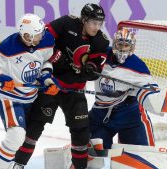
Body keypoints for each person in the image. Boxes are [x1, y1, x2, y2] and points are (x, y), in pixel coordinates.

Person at [13, 3, 109, 169]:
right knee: (34, 127)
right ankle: (17, 164)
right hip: (51, 85)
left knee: (81, 133)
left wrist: (91, 69)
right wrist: (55, 53)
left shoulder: (101, 40)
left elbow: (96, 68)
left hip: (74, 90)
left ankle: (78, 167)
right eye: (93, 22)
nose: (96, 27)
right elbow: (43, 38)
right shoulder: (67, 23)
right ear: (84, 19)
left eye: (99, 23)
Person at [0, 13, 59, 169]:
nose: (41, 36)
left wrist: (46, 78)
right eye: (37, 35)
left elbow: (46, 62)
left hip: (30, 97)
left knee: (25, 136)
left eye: (42, 32)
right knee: (16, 136)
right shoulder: (8, 47)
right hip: (9, 98)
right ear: (26, 36)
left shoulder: (46, 40)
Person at [89, 28, 167, 149]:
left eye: (126, 45)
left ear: (132, 47)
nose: (122, 48)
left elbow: (147, 92)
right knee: (90, 153)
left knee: (141, 155)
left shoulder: (138, 66)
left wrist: (162, 101)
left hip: (129, 114)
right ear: (114, 43)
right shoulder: (100, 55)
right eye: (120, 44)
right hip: (100, 112)